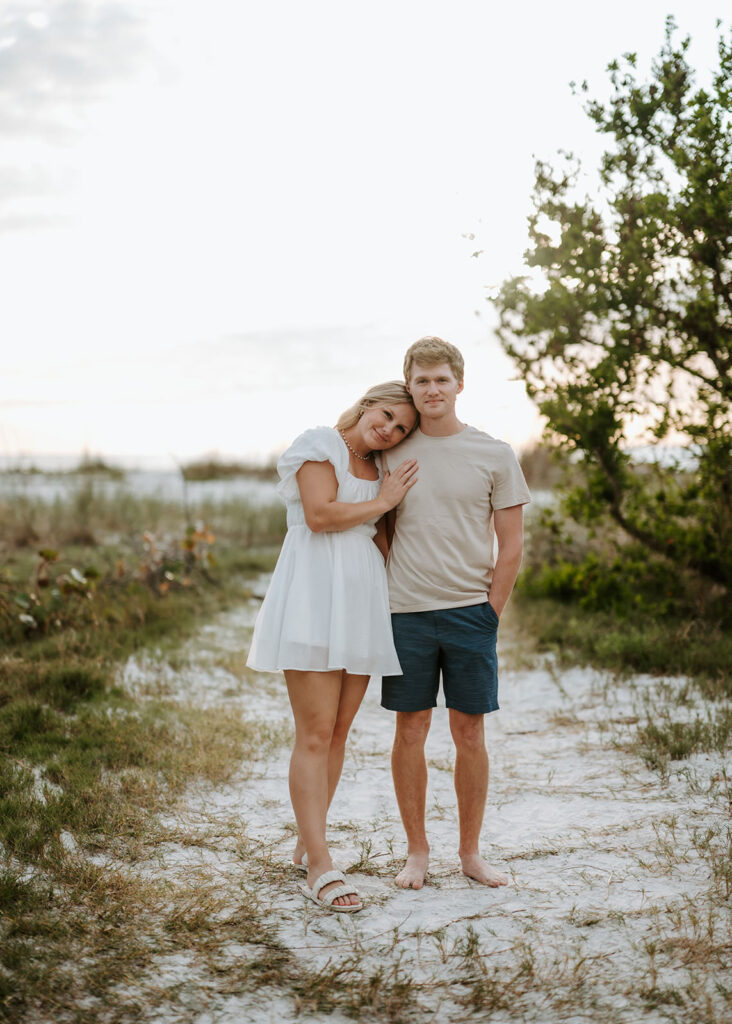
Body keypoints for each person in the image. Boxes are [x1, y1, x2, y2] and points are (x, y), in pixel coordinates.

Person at [247, 382, 418, 912]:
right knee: (315, 733)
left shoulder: (383, 471)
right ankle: (320, 866)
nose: (389, 428)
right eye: (387, 414)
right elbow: (320, 516)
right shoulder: (320, 443)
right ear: (368, 404)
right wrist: (385, 501)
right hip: (315, 597)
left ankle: (308, 838)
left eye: (401, 427)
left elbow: (383, 541)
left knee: (339, 731)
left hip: (361, 601)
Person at [381, 336, 530, 890]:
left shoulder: (494, 454)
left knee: (469, 734)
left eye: (442, 379)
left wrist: (489, 612)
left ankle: (469, 853)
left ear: (459, 384)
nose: (433, 389)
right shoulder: (391, 452)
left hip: (471, 614)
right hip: (407, 614)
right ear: (410, 389)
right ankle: (416, 852)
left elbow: (511, 545)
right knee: (411, 729)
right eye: (422, 381)